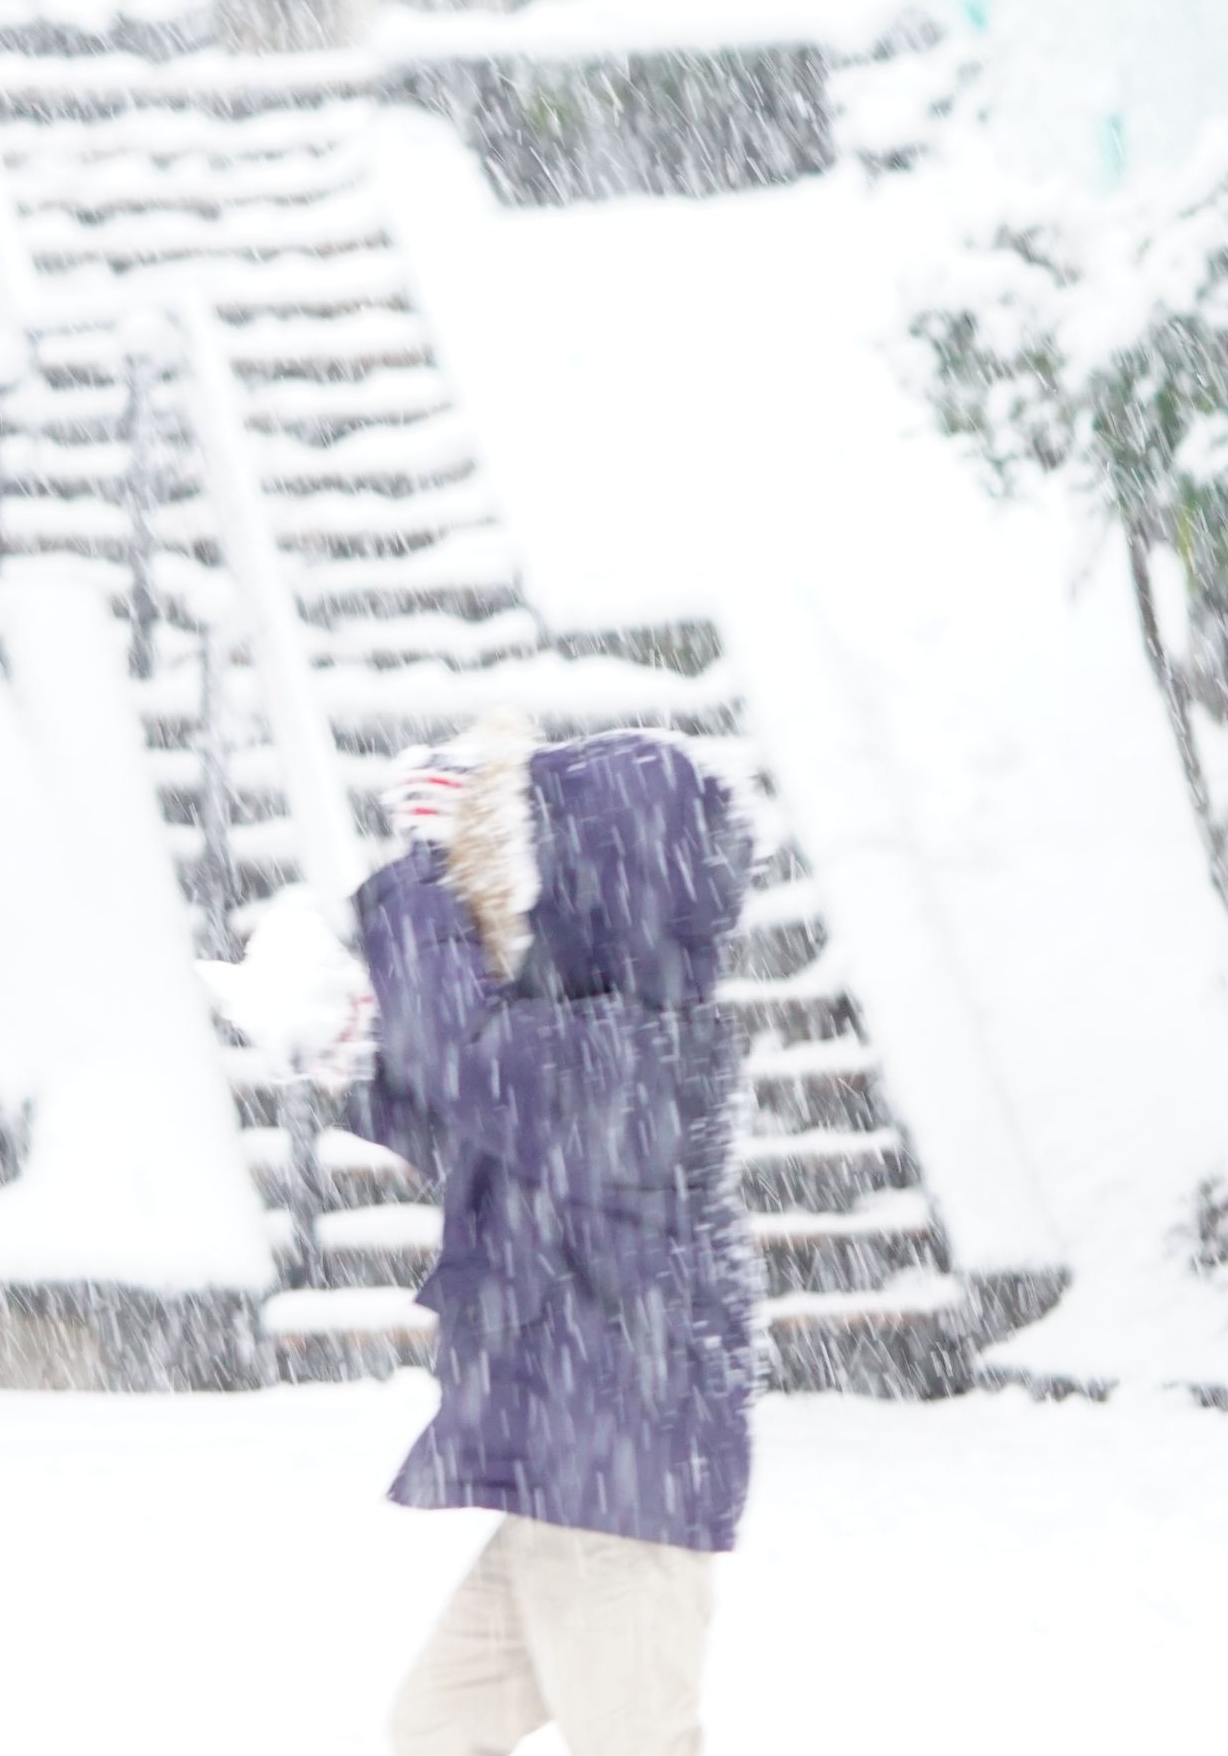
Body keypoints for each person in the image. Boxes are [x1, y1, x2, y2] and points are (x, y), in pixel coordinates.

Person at [355, 720, 761, 1756]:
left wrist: (420, 882)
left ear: (607, 883)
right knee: (436, 1728)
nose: (529, 892)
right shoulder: (587, 1029)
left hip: (626, 1496)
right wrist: (350, 1054)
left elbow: (471, 1061)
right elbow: (468, 1127)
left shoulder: (647, 1054)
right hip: (568, 1472)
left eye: (550, 860)